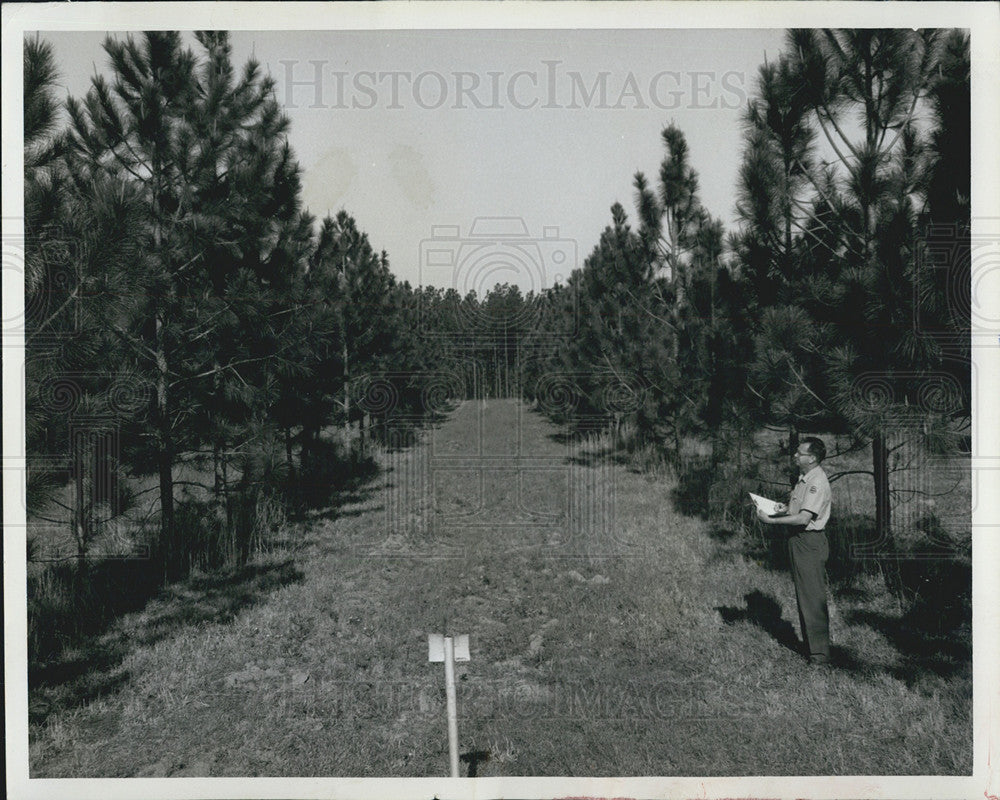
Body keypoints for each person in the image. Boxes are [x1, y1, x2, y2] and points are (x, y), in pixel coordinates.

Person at [757, 436, 832, 665]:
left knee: (812, 598)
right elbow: (797, 509)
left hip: (808, 541)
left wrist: (771, 521)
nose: (795, 456)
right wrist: (782, 508)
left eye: (800, 453)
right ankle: (812, 649)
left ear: (813, 458)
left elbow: (803, 518)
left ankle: (819, 656)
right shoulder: (804, 478)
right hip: (799, 541)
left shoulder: (816, 482)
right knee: (805, 596)